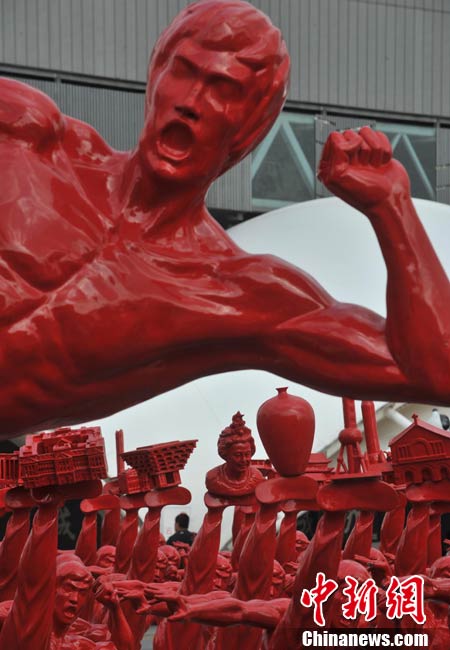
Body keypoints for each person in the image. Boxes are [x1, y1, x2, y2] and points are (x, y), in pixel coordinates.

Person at [1, 0, 450, 440]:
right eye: (183, 71)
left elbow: (432, 374)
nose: (191, 103)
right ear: (156, 75)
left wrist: (391, 207)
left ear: (249, 127)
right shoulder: (29, 139)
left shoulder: (241, 294)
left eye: (223, 89)